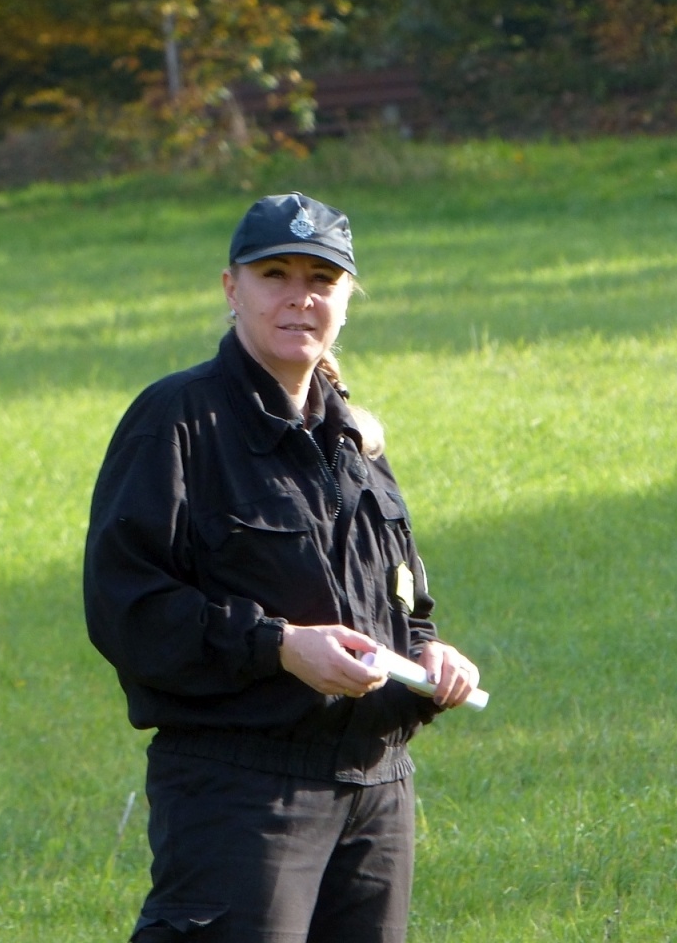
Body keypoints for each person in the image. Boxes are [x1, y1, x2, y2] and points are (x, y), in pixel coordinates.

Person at [83, 192, 480, 943]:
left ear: (347, 301)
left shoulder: (355, 441)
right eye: (276, 274)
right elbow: (126, 608)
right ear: (232, 288)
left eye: (322, 280)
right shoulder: (176, 422)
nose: (300, 297)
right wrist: (277, 647)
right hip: (244, 797)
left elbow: (402, 602)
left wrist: (428, 657)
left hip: (376, 793)